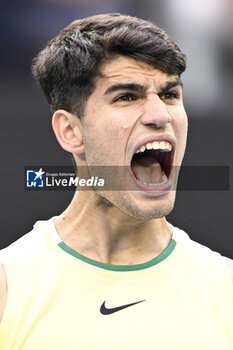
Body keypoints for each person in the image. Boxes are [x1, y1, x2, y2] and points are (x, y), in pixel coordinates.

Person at [0, 13, 232, 349]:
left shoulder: (226, 288)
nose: (160, 115)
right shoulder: (9, 287)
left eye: (170, 95)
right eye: (127, 96)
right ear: (70, 131)